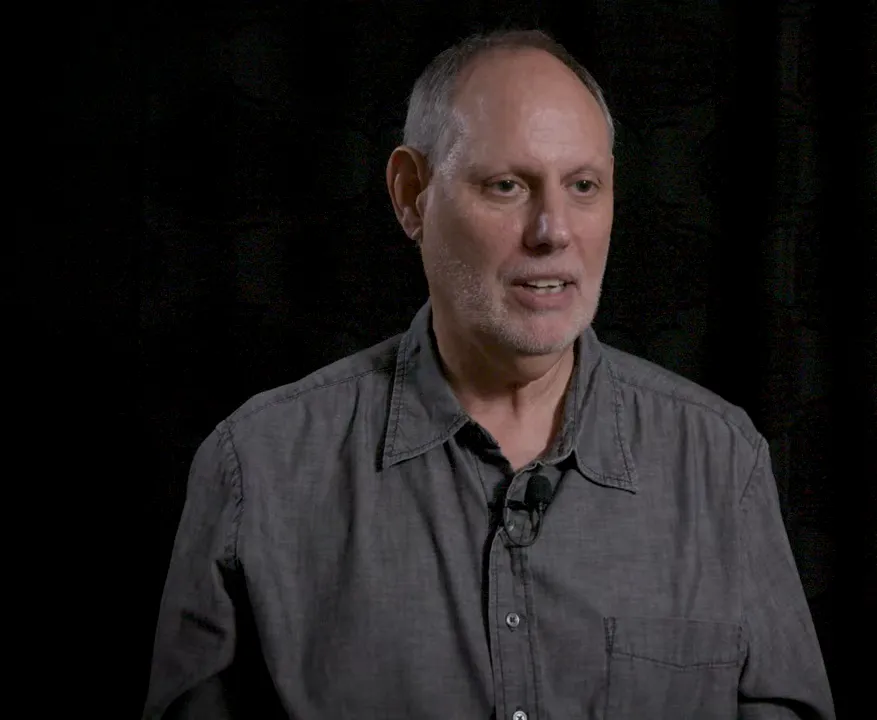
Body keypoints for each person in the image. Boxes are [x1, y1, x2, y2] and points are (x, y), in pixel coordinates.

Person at [143, 28, 835, 719]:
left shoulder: (720, 460)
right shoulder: (257, 470)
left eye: (583, 186)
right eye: (508, 186)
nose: (553, 231)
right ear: (412, 194)